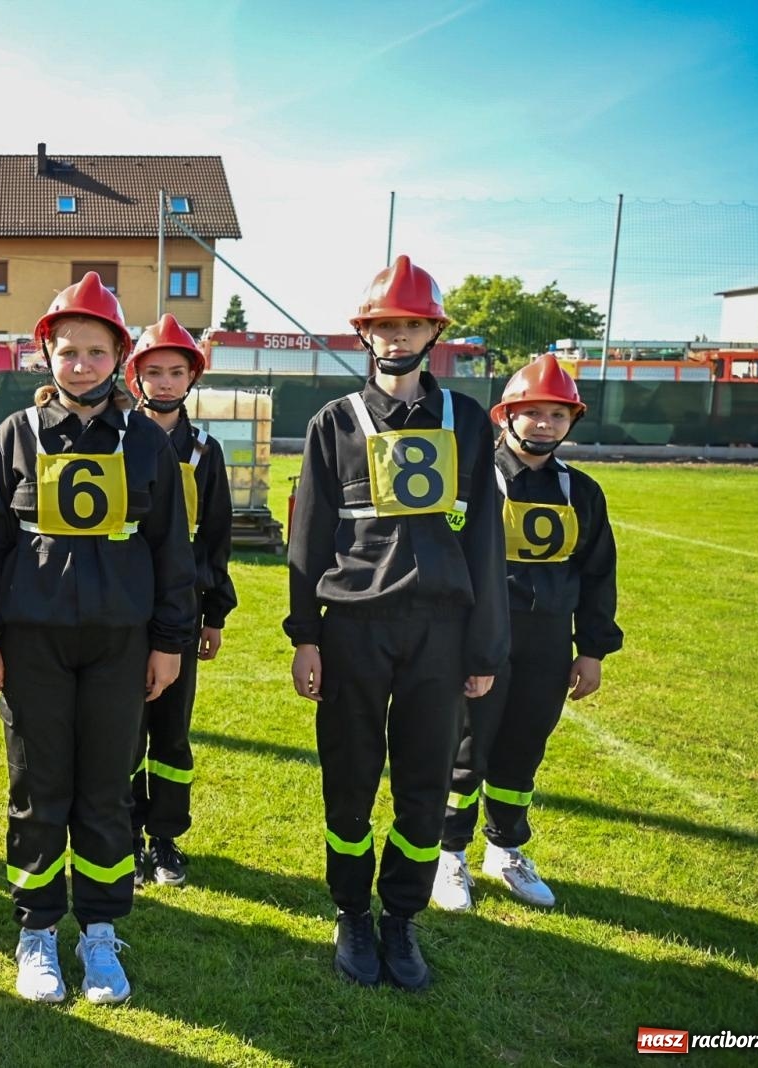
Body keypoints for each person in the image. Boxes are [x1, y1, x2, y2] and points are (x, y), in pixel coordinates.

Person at [0, 273, 196, 1005]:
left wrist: (169, 641)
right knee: (39, 787)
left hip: (121, 645)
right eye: (68, 351)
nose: (81, 365)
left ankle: (98, 930)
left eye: (96, 351)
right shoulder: (14, 437)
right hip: (34, 645)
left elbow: (170, 550)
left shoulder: (146, 445)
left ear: (118, 356)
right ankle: (35, 930)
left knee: (106, 792)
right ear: (46, 356)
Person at [284, 255, 508, 992]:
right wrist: (305, 635)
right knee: (350, 777)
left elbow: (484, 543)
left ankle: (402, 919)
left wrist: (484, 647)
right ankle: (352, 911)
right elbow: (309, 539)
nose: (396, 337)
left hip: (440, 633)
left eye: (411, 324)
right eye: (384, 325)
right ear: (365, 334)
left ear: (433, 331)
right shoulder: (333, 422)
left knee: (422, 782)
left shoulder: (469, 422)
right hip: (354, 627)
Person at [432, 354, 622, 912]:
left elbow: (597, 573)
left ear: (572, 422)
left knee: (523, 746)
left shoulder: (581, 491)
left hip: (547, 638)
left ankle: (506, 847)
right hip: (484, 634)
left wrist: (591, 650)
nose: (544, 424)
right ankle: (450, 852)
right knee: (469, 745)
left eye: (557, 415)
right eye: (532, 412)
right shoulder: (472, 479)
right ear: (505, 416)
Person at [123, 314, 237, 888]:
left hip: (180, 606)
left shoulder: (205, 450)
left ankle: (164, 837)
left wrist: (213, 612)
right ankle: (122, 835)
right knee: (122, 726)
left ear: (192, 377)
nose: (164, 382)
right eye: (153, 371)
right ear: (135, 374)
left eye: (175, 372)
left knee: (170, 726)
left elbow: (216, 536)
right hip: (119, 603)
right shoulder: (115, 440)